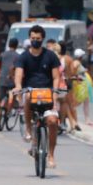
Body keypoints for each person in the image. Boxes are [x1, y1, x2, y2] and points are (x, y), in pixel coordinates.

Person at [14, 25, 61, 168]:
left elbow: (56, 77)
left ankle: (51, 156)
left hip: (47, 95)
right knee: (27, 97)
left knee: (52, 122)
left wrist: (56, 93)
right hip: (31, 93)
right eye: (33, 38)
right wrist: (18, 86)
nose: (35, 41)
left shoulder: (51, 56)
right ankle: (28, 129)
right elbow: (18, 75)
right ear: (29, 38)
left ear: (43, 39)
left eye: (38, 39)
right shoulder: (23, 57)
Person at [0, 38, 19, 124]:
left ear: (9, 45)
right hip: (12, 80)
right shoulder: (18, 56)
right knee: (13, 95)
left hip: (2, 79)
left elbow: (0, 66)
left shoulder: (2, 54)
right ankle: (9, 110)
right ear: (17, 46)